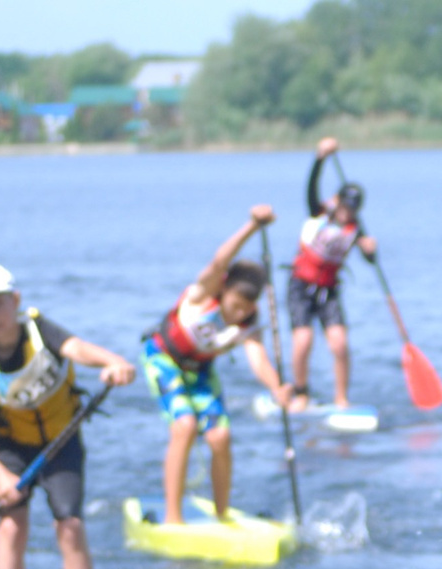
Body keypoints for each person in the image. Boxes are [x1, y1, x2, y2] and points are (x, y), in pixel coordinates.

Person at [0, 265, 135, 569]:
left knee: (69, 524)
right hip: (11, 448)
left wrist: (113, 362)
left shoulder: (40, 331)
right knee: (11, 525)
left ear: (15, 300)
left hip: (61, 443)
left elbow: (78, 348)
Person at [141, 206, 295, 526]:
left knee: (220, 438)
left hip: (199, 372)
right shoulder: (204, 293)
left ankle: (222, 515)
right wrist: (252, 226)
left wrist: (276, 387)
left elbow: (258, 360)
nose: (239, 314)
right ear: (225, 290)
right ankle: (173, 517)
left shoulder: (248, 326)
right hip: (163, 359)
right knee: (183, 427)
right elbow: (219, 261)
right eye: (236, 305)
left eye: (246, 308)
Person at [286, 137, 378, 413]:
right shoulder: (319, 212)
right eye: (344, 206)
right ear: (337, 201)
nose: (347, 212)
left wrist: (371, 250)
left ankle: (341, 399)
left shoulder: (356, 229)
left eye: (352, 209)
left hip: (329, 291)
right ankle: (301, 393)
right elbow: (311, 188)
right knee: (303, 341)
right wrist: (320, 158)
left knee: (340, 344)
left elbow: (371, 260)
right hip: (301, 286)